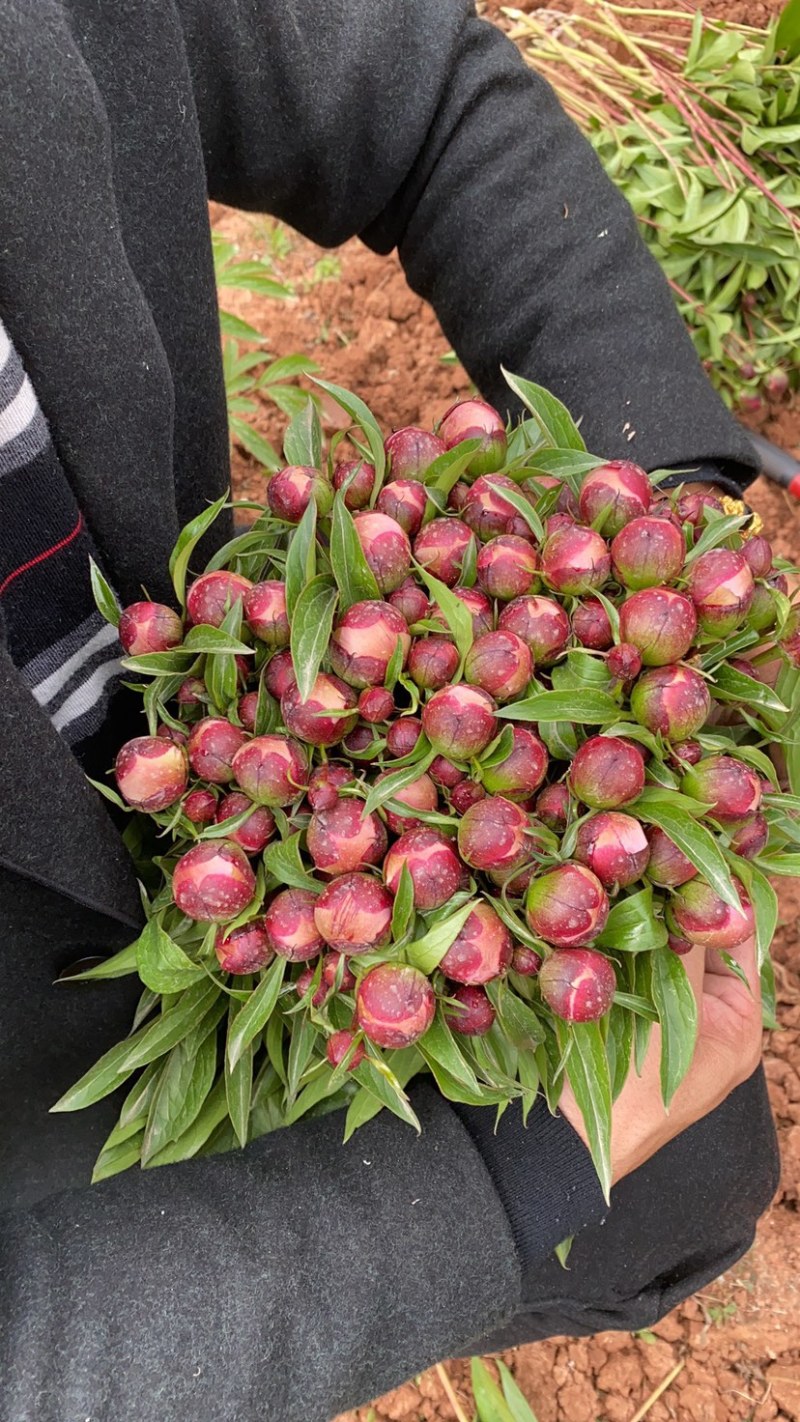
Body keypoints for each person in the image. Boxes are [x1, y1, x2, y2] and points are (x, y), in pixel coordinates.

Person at [0, 1, 778, 1418]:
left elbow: (416, 96)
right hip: (54, 1150)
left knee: (685, 1174)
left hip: (252, 782)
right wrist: (490, 1185)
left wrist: (655, 501)